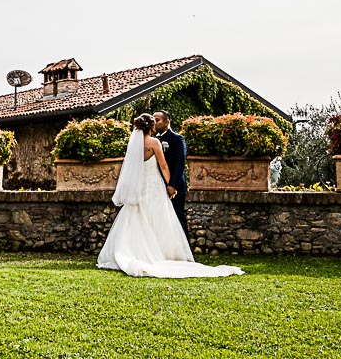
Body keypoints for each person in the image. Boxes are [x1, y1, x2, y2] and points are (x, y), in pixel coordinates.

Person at [96, 113, 243, 278]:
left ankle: (133, 251)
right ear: (151, 126)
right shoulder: (154, 142)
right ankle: (161, 253)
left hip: (139, 188)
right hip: (154, 187)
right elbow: (164, 166)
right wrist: (170, 185)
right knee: (159, 219)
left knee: (136, 219)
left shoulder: (133, 144)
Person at [154, 110, 189, 239]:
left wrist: (172, 185)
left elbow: (180, 163)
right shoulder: (154, 140)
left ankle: (186, 250)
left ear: (166, 122)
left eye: (157, 120)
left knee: (178, 217)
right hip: (158, 185)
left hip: (175, 186)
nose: (154, 122)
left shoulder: (177, 139)